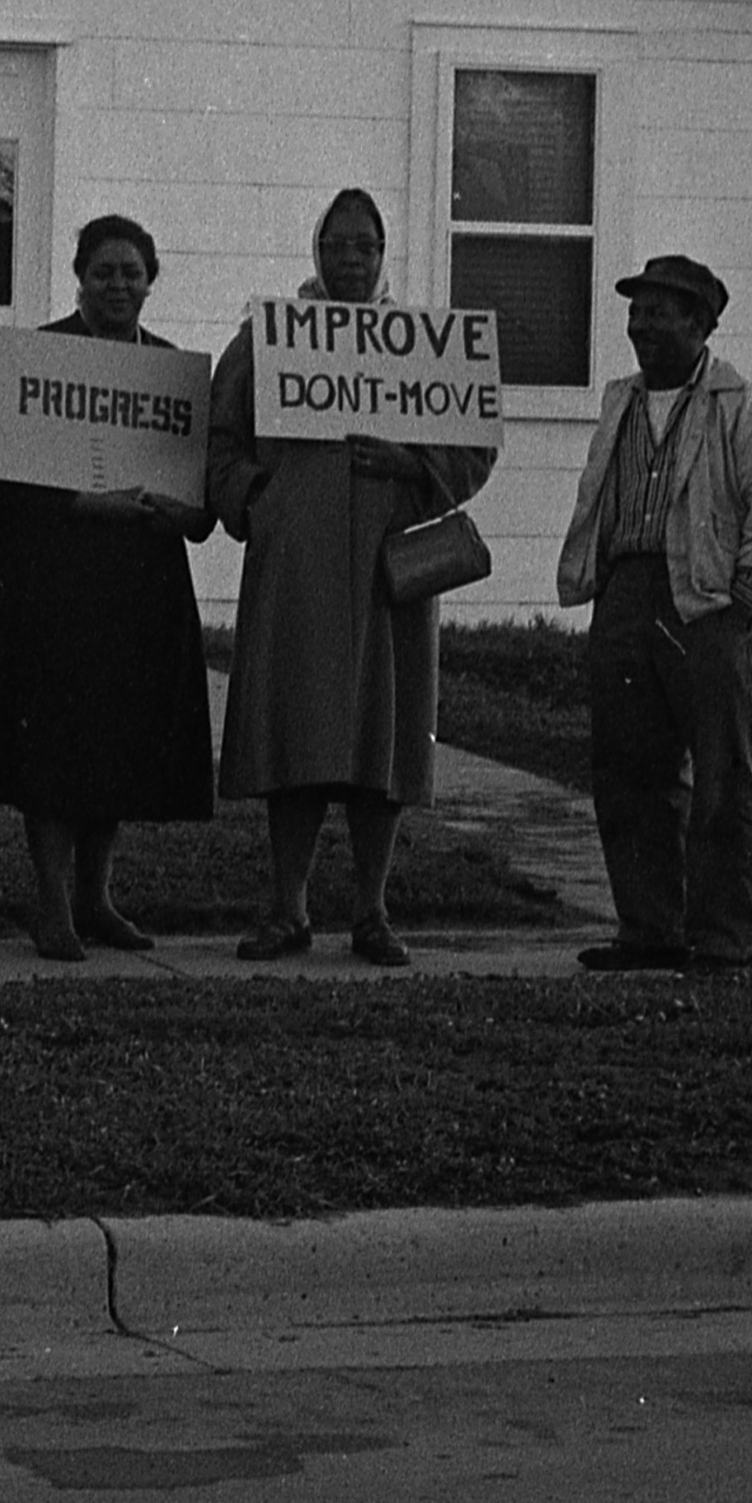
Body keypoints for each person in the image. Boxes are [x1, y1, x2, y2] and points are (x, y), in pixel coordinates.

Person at [205, 188, 496, 968]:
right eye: (335, 245)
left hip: (389, 571)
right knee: (296, 736)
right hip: (295, 571)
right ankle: (288, 906)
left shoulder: (419, 344)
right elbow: (219, 442)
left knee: (385, 740)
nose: (349, 259)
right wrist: (256, 501)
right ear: (316, 250)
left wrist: (415, 466)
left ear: (383, 252)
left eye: (364, 246)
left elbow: (475, 444)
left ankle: (372, 909)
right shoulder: (268, 341)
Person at [0, 214, 215, 958]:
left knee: (119, 742)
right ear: (79, 275)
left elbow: (201, 503)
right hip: (52, 582)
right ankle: (52, 902)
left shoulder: (170, 372)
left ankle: (98, 896)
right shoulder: (41, 359)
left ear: (151, 278)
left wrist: (183, 512)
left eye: (132, 272)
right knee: (54, 748)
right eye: (104, 271)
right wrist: (81, 504)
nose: (118, 285)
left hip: (141, 584)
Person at [553, 252, 752, 972]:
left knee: (725, 775)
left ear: (701, 323)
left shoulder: (739, 402)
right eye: (636, 311)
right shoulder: (620, 400)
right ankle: (650, 929)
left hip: (710, 601)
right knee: (628, 770)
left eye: (659, 311)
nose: (642, 326)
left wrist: (740, 610)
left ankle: (728, 937)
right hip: (627, 592)